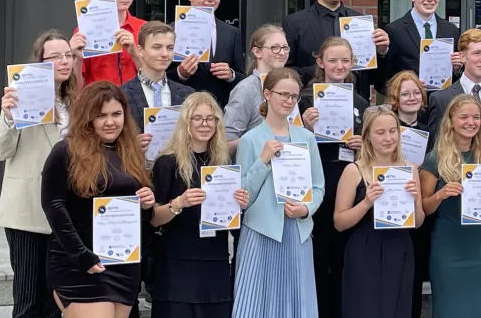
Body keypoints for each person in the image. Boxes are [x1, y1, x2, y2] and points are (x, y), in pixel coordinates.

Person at [40, 82, 156, 318]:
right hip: (79, 264)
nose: (110, 122)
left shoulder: (130, 152)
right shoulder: (65, 151)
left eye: (116, 114)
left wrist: (146, 203)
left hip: (123, 263)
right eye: (101, 116)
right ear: (87, 117)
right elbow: (53, 205)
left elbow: (139, 214)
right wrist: (81, 255)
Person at [0, 30, 78, 318]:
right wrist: (8, 117)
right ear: (39, 61)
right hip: (27, 211)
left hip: (65, 211)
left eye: (69, 55)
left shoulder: (77, 103)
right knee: (29, 297)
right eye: (56, 56)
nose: (65, 61)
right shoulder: (20, 99)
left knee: (57, 298)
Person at [232, 68, 325, 318]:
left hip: (297, 230)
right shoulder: (250, 140)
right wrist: (263, 160)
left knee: (296, 300)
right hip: (261, 231)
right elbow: (242, 195)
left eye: (294, 96)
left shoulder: (306, 138)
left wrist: (306, 209)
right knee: (256, 302)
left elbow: (318, 186)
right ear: (267, 94)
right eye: (283, 94)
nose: (289, 101)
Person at [149, 92, 249, 318]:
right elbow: (153, 218)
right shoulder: (168, 162)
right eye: (198, 118)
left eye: (211, 118)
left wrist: (240, 206)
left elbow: (233, 226)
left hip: (215, 263)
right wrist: (179, 203)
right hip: (177, 264)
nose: (205, 124)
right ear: (186, 122)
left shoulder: (224, 164)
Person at [297, 37, 369, 318]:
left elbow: (372, 149)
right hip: (317, 180)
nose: (339, 66)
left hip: (348, 180)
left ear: (352, 63)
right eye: (333, 60)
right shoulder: (305, 99)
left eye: (345, 61)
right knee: (318, 252)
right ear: (320, 62)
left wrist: (363, 145)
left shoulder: (361, 102)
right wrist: (304, 126)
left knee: (344, 251)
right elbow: (289, 143)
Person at [419, 94, 481, 318]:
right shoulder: (434, 159)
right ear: (450, 121)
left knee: (476, 310)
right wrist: (441, 194)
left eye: (476, 117)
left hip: (478, 246)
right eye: (464, 117)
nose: (470, 122)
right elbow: (423, 208)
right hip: (447, 245)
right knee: (449, 309)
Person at [334, 106, 424, 318]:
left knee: (398, 309)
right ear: (367, 137)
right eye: (380, 132)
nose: (388, 138)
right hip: (365, 250)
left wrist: (414, 202)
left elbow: (418, 222)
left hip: (400, 248)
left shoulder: (409, 169)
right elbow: (339, 222)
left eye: (393, 131)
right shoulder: (354, 170)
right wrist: (366, 202)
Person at [282, 0, 390, 99]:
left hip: (355, 103)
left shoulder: (361, 22)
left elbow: (374, 78)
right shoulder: (295, 23)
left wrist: (381, 53)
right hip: (311, 104)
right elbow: (286, 71)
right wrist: (324, 67)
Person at [383, 70, 431, 318]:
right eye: (405, 94)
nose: (411, 98)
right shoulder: (385, 129)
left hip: (418, 208)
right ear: (395, 98)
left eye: (416, 93)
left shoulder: (430, 132)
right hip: (388, 207)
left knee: (414, 275)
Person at [168, 0, 246, 107]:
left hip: (220, 111)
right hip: (183, 109)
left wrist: (230, 74)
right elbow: (160, 76)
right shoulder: (170, 31)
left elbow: (242, 77)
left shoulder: (231, 33)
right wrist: (180, 73)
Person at [426, 28, 481, 152]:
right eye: (477, 53)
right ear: (462, 57)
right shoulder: (441, 99)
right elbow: (435, 146)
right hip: (453, 168)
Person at [71, 0, 145, 86]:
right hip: (98, 102)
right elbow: (77, 89)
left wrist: (135, 54)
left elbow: (154, 81)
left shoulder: (144, 28)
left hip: (135, 102)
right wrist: (77, 59)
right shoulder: (83, 30)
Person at [383, 0, 462, 81]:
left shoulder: (451, 30)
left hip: (442, 97)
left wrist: (457, 69)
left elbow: (457, 78)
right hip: (410, 97)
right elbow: (386, 74)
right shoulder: (394, 30)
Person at [120, 21, 194, 133]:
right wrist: (133, 145)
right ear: (141, 51)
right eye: (157, 47)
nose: (164, 53)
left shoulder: (187, 94)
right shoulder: (121, 94)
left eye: (170, 48)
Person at [224, 23, 290, 144]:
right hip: (254, 161)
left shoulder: (290, 85)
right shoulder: (246, 89)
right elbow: (226, 141)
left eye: (285, 47)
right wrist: (258, 140)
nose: (282, 53)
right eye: (275, 47)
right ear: (257, 52)